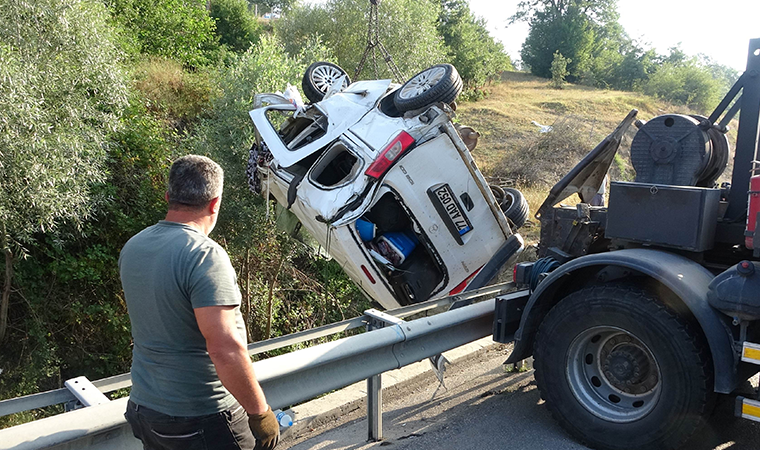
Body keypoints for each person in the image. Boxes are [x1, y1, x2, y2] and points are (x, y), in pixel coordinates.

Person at [120, 155, 279, 450]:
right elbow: (224, 348)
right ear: (215, 203)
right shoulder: (204, 254)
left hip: (147, 409)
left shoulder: (134, 246)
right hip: (200, 416)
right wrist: (260, 414)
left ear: (169, 197)